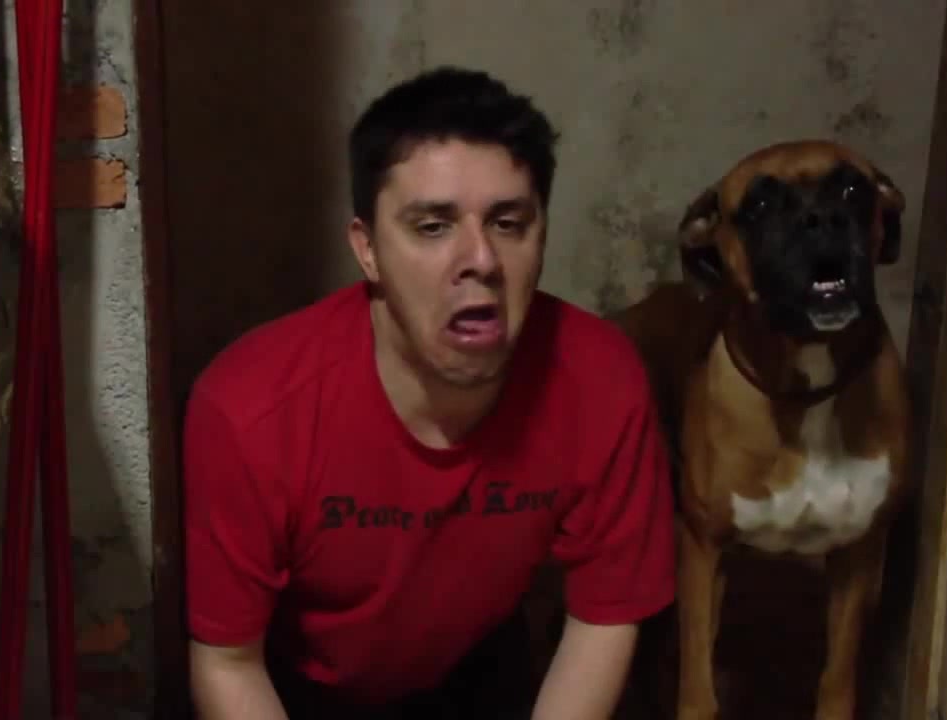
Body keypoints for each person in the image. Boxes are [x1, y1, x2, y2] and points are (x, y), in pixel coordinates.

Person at [182, 65, 677, 719]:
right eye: (433, 226)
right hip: (294, 690)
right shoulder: (252, 408)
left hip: (479, 672)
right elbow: (227, 662)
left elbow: (603, 620)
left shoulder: (600, 380)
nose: (481, 259)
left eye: (508, 223)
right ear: (367, 250)